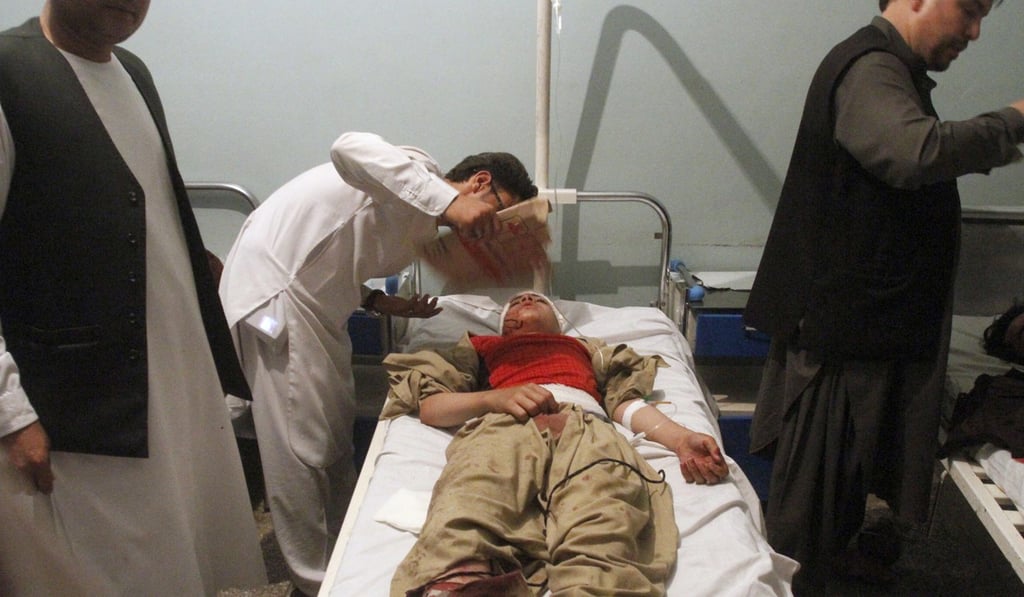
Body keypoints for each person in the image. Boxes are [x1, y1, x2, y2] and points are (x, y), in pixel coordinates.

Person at [744, 0, 1024, 590]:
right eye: (969, 11)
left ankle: (833, 565)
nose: (974, 33)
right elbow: (915, 152)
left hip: (867, 325)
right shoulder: (869, 67)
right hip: (842, 332)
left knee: (844, 484)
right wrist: (1015, 119)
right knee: (807, 510)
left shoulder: (891, 70)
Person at [0, 1, 267, 595]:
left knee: (180, 551)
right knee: (106, 568)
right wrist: (10, 414)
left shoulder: (135, 73)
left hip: (172, 380)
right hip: (75, 402)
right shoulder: (9, 73)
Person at [217, 131, 539, 595]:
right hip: (277, 300)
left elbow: (335, 253)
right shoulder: (416, 170)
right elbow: (348, 145)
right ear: (478, 182)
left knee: (332, 432)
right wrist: (449, 204)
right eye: (495, 208)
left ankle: (343, 549)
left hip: (314, 306)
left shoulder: (423, 221)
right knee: (300, 447)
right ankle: (314, 582)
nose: (488, 225)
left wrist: (378, 301)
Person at [381, 291, 729, 596]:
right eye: (515, 302)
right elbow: (432, 408)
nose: (527, 299)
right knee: (472, 497)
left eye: (539, 300)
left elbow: (625, 405)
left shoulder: (588, 349)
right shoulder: (479, 346)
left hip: (587, 429)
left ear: (559, 322)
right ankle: (462, 583)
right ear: (505, 327)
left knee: (606, 512)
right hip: (503, 425)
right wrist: (495, 399)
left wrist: (680, 439)